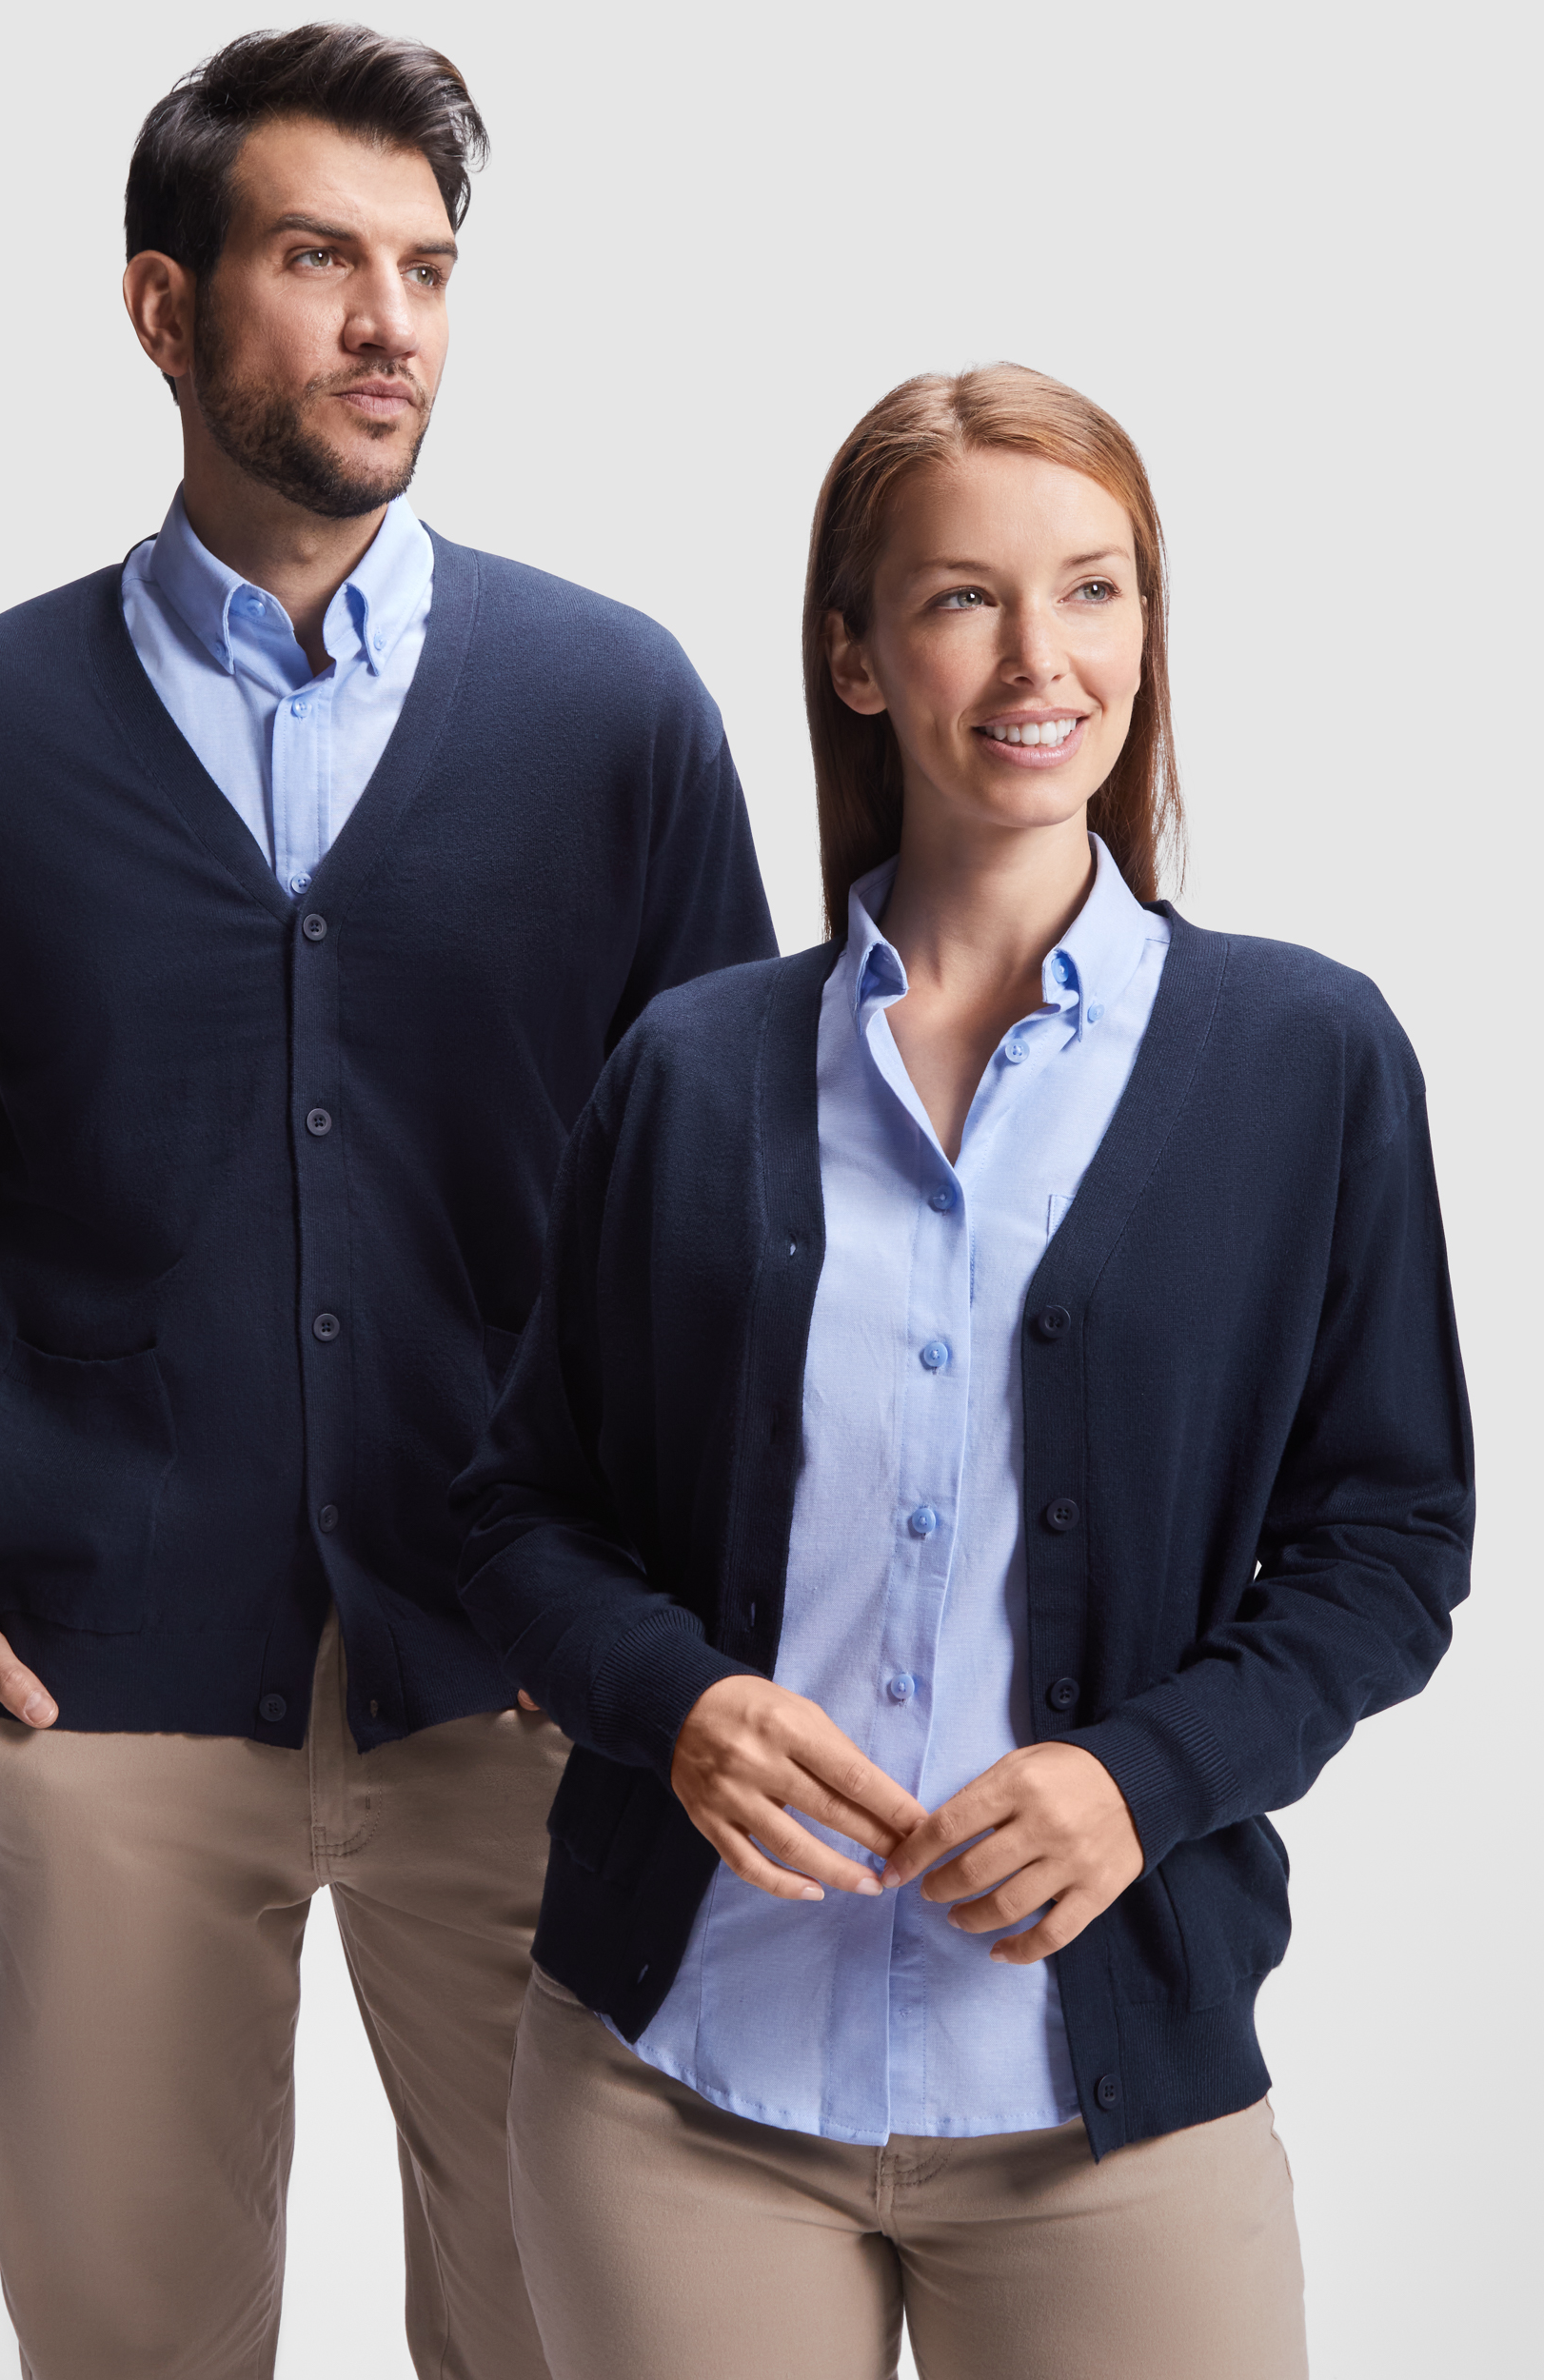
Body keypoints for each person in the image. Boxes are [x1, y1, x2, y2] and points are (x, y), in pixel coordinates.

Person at [0, 24, 773, 2378]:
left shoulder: (615, 711)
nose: (391, 321)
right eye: (319, 259)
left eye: (428, 267)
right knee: (130, 2343)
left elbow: (736, 1215)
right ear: (164, 307)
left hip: (522, 1688)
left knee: (571, 2333)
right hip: (107, 1696)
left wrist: (664, 1613)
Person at [456, 363, 1473, 2380]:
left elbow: (1389, 1544)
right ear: (853, 655)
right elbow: (521, 1513)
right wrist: (676, 1705)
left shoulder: (1306, 1060)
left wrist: (1139, 1779)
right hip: (681, 2089)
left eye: (1092, 589)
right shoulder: (690, 1069)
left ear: (1147, 631)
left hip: (1109, 2111)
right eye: (961, 598)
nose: (1039, 659)